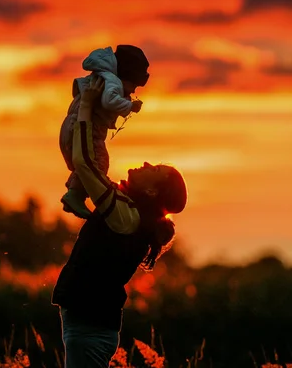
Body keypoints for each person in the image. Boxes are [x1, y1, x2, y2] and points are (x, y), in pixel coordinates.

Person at [52, 76, 188, 368]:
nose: (148, 164)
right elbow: (88, 167)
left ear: (153, 191)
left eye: (156, 169)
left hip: (88, 330)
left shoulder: (127, 216)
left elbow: (85, 163)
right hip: (88, 328)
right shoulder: (128, 210)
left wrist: (87, 106)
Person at [59, 45, 150, 219]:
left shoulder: (105, 79)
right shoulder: (112, 82)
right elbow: (109, 102)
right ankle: (77, 196)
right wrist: (129, 106)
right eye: (133, 85)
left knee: (93, 162)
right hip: (84, 129)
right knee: (99, 161)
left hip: (71, 127)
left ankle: (75, 193)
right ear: (125, 76)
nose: (133, 91)